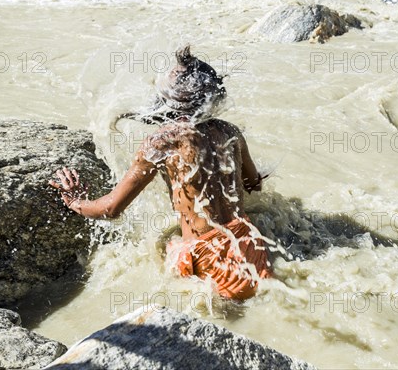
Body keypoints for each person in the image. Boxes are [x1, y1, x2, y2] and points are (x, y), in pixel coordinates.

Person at [49, 45, 272, 300]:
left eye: (170, 75)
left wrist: (76, 201)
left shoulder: (163, 141)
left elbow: (111, 209)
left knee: (169, 252)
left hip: (205, 258)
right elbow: (253, 184)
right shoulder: (231, 132)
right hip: (250, 247)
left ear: (175, 96)